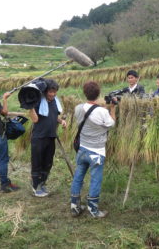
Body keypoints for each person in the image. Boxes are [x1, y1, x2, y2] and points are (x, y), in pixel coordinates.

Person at [70, 81, 116, 218]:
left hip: (82, 149)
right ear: (98, 94)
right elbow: (111, 123)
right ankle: (93, 209)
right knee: (95, 179)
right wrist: (112, 108)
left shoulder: (78, 108)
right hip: (96, 152)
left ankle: (75, 206)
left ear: (85, 93)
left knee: (78, 177)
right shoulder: (102, 111)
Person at [29, 79, 66, 197]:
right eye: (50, 91)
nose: (53, 94)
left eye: (55, 92)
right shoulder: (39, 101)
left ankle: (42, 183)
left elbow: (53, 116)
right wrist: (30, 107)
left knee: (48, 162)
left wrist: (61, 121)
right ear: (45, 91)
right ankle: (35, 187)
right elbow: (35, 119)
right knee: (37, 163)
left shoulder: (55, 102)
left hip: (51, 137)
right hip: (39, 137)